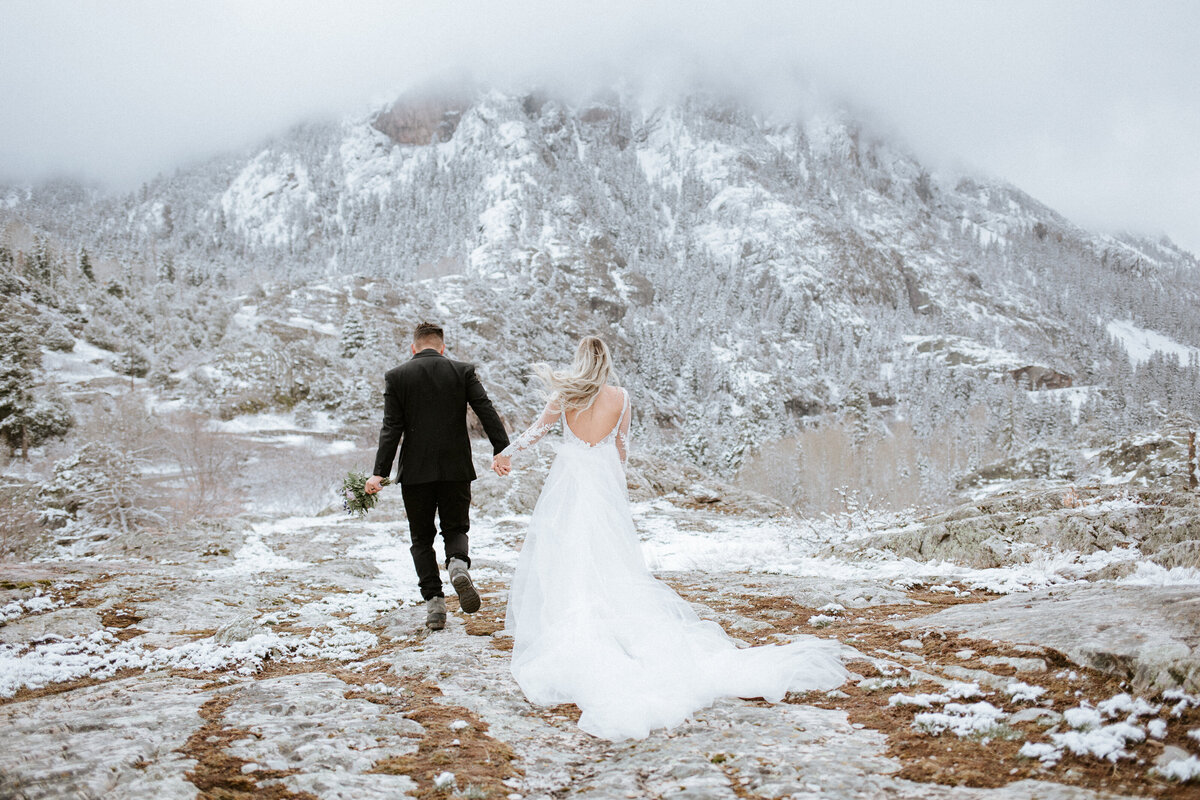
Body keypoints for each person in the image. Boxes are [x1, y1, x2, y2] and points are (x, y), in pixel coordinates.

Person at [491, 336, 848, 740]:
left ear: (579, 361)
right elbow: (622, 449)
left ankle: (573, 615)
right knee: (611, 557)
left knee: (569, 552)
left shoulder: (564, 396)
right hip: (603, 486)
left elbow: (535, 433)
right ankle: (613, 618)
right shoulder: (621, 398)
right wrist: (615, 488)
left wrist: (505, 454)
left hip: (570, 484)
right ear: (606, 362)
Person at [366, 322, 510, 631]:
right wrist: (501, 449)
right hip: (456, 467)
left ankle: (435, 605)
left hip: (415, 473)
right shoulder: (463, 371)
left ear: (413, 347)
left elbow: (391, 428)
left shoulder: (397, 377)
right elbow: (485, 409)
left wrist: (380, 473)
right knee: (455, 527)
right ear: (442, 347)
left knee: (421, 538)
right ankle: (457, 563)